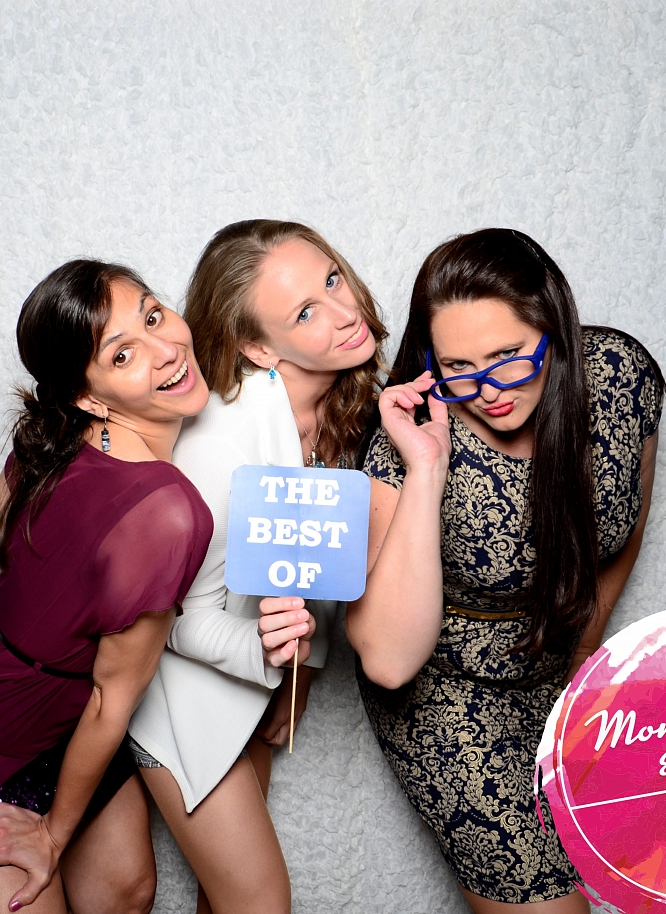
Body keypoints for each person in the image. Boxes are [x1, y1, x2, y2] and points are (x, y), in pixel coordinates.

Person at [347, 228, 665, 913]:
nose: (488, 390)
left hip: (560, 671)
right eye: (457, 367)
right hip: (449, 695)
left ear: (554, 328)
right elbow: (388, 662)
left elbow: (621, 524)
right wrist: (427, 467)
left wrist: (585, 657)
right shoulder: (403, 446)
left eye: (508, 358)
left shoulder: (619, 378)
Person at [0, 259, 215, 914]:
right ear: (91, 398)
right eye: (123, 354)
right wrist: (50, 836)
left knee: (125, 892)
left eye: (153, 315)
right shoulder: (169, 512)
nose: (165, 349)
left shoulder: (60, 434)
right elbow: (111, 695)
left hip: (71, 723)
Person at [127, 219, 388, 914]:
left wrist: (301, 676)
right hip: (176, 699)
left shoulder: (345, 413)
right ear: (257, 347)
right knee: (259, 902)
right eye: (305, 312)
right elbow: (169, 620)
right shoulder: (222, 439)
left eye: (332, 280)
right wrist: (273, 660)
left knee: (226, 902)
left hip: (251, 689)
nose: (344, 312)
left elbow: (313, 568)